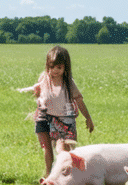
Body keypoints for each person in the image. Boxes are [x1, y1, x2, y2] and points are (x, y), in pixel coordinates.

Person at [21, 45, 94, 175]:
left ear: (65, 67)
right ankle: (49, 174)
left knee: (62, 148)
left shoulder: (68, 83)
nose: (55, 70)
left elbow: (79, 101)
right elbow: (40, 95)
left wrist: (88, 118)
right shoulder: (44, 78)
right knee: (46, 149)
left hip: (62, 121)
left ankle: (71, 169)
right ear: (47, 65)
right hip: (43, 117)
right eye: (51, 67)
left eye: (59, 67)